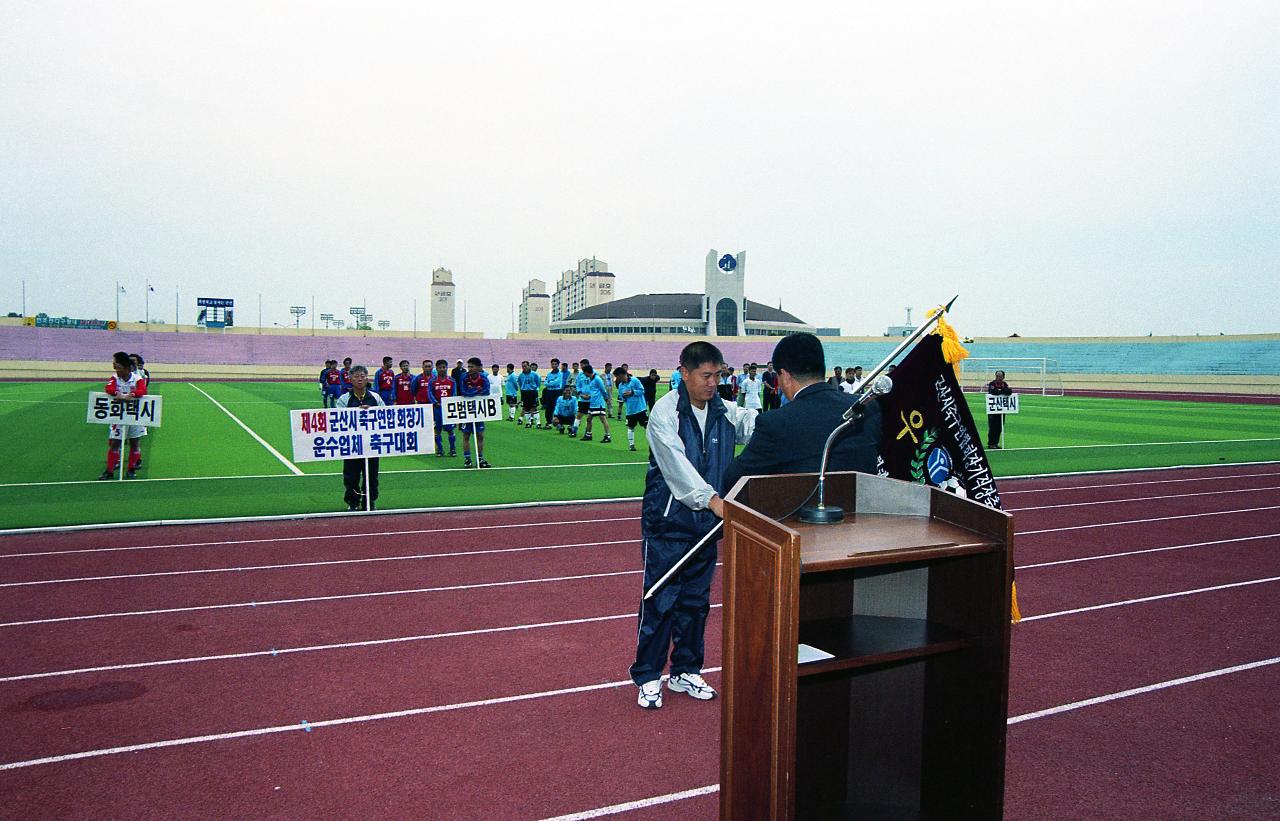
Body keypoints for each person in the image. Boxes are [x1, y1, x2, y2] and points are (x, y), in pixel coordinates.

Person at [632, 341, 756, 709]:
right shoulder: (664, 413)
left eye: (718, 375)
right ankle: (649, 676)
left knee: (696, 602)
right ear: (684, 373)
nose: (713, 383)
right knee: (660, 602)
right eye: (706, 375)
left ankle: (686, 670)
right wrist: (712, 500)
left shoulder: (725, 411)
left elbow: (756, 427)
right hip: (669, 524)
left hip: (708, 527)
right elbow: (676, 469)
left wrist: (790, 423)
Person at [722, 333, 881, 493]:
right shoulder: (868, 407)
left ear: (784, 376)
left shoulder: (776, 423)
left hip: (806, 515)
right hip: (866, 511)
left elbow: (733, 479)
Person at [336, 365, 385, 511]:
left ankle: (369, 502)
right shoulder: (344, 399)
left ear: (367, 378)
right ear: (350, 379)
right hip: (352, 445)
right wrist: (356, 412)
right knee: (351, 476)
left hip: (371, 444)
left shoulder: (375, 398)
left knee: (371, 476)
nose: (359, 379)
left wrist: (372, 412)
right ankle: (353, 502)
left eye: (362, 376)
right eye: (356, 376)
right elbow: (338, 420)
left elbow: (386, 418)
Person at [99, 351, 149, 480]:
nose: (116, 370)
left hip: (134, 415)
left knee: (134, 443)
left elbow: (142, 390)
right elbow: (108, 388)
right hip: (119, 416)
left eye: (118, 367)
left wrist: (132, 395)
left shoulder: (137, 378)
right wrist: (118, 394)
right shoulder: (114, 378)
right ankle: (109, 470)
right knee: (115, 443)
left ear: (126, 367)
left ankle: (131, 469)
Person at [458, 357, 492, 468]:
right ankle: (467, 459)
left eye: (472, 366)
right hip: (467, 410)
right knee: (466, 435)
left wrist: (472, 392)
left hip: (478, 411)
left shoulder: (483, 378)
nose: (470, 369)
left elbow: (487, 391)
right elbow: (463, 391)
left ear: (478, 367)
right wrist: (476, 391)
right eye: (469, 366)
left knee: (480, 435)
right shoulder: (464, 377)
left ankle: (480, 459)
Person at [427, 358, 458, 457]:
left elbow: (454, 393)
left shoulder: (452, 380)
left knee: (450, 429)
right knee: (437, 429)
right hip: (437, 409)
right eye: (440, 367)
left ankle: (452, 449)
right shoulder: (432, 381)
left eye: (444, 367)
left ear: (447, 368)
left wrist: (449, 402)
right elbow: (430, 393)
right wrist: (435, 402)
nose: (442, 369)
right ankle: (440, 450)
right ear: (436, 368)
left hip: (448, 409)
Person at [615, 366, 649, 451]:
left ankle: (652, 444)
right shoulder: (620, 386)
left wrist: (632, 392)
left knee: (646, 426)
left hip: (640, 408)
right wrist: (624, 396)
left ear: (622, 375)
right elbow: (621, 397)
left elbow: (642, 391)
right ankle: (631, 445)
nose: (617, 379)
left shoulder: (634, 380)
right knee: (630, 427)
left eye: (617, 377)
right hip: (630, 410)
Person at [578, 363, 612, 443]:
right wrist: (589, 397)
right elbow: (594, 391)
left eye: (584, 372)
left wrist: (606, 399)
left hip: (598, 403)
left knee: (602, 419)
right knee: (589, 418)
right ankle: (588, 435)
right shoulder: (591, 379)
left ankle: (608, 436)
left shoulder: (597, 379)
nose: (584, 374)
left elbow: (603, 390)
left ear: (587, 372)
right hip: (592, 403)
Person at [986, 370, 1012, 449]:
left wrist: (1000, 391)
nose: (998, 378)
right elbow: (993, 391)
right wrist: (1002, 391)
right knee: (992, 427)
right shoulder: (992, 384)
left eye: (1000, 376)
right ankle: (991, 444)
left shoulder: (1005, 384)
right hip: (993, 410)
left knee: (999, 427)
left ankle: (996, 443)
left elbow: (1009, 391)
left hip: (1001, 410)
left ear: (1003, 377)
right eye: (997, 376)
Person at [517, 362, 541, 428]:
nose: (524, 368)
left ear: (528, 366)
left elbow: (538, 382)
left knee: (534, 407)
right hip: (524, 392)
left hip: (532, 392)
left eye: (525, 366)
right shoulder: (521, 375)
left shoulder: (534, 374)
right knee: (526, 408)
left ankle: (538, 423)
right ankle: (528, 423)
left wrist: (535, 388)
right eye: (523, 366)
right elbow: (520, 383)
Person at [542, 357, 563, 429]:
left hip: (556, 392)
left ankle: (558, 423)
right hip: (549, 392)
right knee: (548, 408)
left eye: (555, 364)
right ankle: (549, 423)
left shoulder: (560, 374)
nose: (553, 365)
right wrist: (550, 383)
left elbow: (556, 383)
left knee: (556, 407)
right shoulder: (549, 374)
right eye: (552, 364)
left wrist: (549, 383)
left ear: (558, 365)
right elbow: (545, 383)